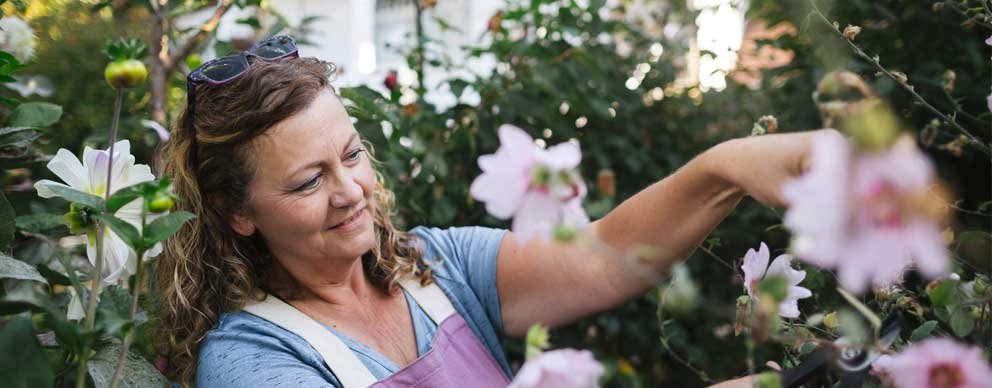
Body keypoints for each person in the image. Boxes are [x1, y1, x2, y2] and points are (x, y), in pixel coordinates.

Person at [155, 35, 820, 388]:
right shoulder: (251, 363)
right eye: (307, 183)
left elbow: (604, 257)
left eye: (352, 155)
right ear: (237, 212)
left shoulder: (432, 265)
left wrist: (725, 167)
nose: (351, 191)